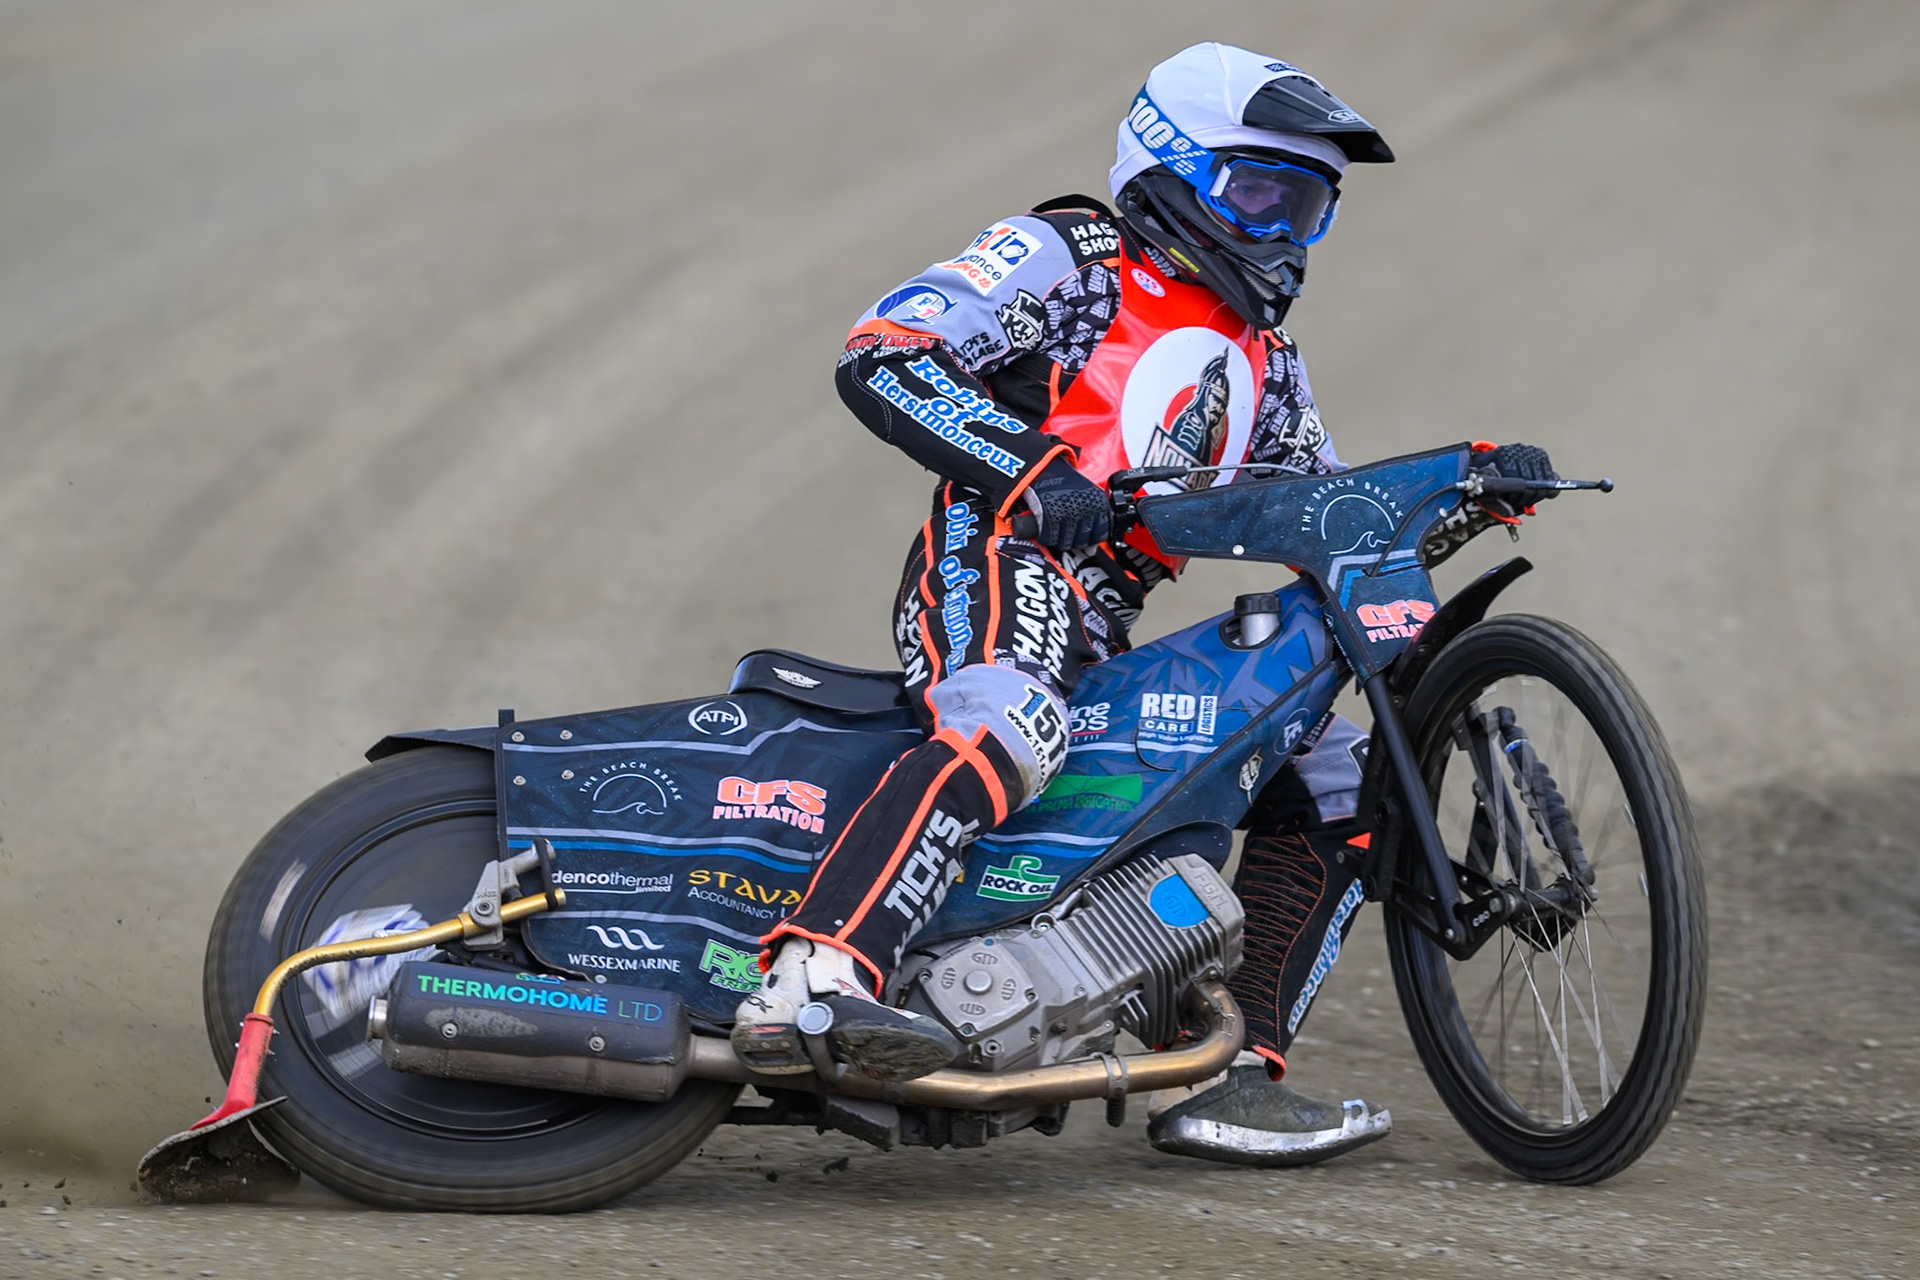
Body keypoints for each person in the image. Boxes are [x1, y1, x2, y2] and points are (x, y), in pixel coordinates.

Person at [731, 42, 1558, 1166]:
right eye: (1256, 190)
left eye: (1305, 205)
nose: (1278, 229)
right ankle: (814, 976)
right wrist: (1031, 470)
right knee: (1010, 721)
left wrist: (1457, 494)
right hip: (998, 550)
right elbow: (884, 350)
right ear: (1169, 168)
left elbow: (1326, 518)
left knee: (1333, 776)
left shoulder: (1268, 363)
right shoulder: (1073, 254)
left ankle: (1231, 1077)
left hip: (1105, 614)